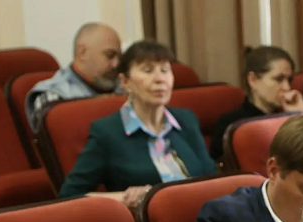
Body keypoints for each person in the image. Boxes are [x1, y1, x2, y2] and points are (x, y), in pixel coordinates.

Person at [58, 40, 215, 205]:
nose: (160, 79)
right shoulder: (106, 132)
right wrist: (125, 198)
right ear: (125, 82)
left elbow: (212, 178)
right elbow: (70, 196)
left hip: (201, 211)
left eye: (165, 70)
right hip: (149, 219)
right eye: (148, 70)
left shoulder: (186, 120)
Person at [209, 46, 303, 160]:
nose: (287, 87)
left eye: (289, 80)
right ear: (253, 80)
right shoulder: (231, 125)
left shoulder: (288, 116)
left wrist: (300, 116)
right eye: (278, 79)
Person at [25, 22, 122, 132]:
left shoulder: (123, 87)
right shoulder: (53, 95)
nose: (116, 64)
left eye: (119, 57)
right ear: (83, 53)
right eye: (110, 55)